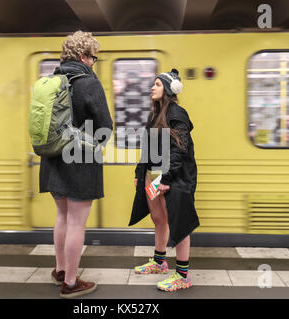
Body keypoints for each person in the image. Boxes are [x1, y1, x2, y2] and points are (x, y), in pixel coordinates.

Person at [39, 31, 113, 298]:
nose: (94, 62)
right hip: (79, 162)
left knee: (61, 217)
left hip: (52, 160)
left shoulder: (50, 80)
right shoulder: (88, 83)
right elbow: (105, 127)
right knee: (77, 224)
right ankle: (70, 283)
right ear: (83, 56)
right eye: (93, 57)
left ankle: (60, 269)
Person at [129, 69, 200, 292]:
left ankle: (182, 275)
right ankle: (159, 262)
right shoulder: (155, 116)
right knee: (158, 218)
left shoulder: (178, 115)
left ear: (168, 90)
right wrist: (140, 173)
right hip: (153, 176)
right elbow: (147, 148)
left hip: (173, 178)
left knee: (179, 224)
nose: (153, 87)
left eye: (157, 84)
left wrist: (165, 179)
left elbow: (180, 151)